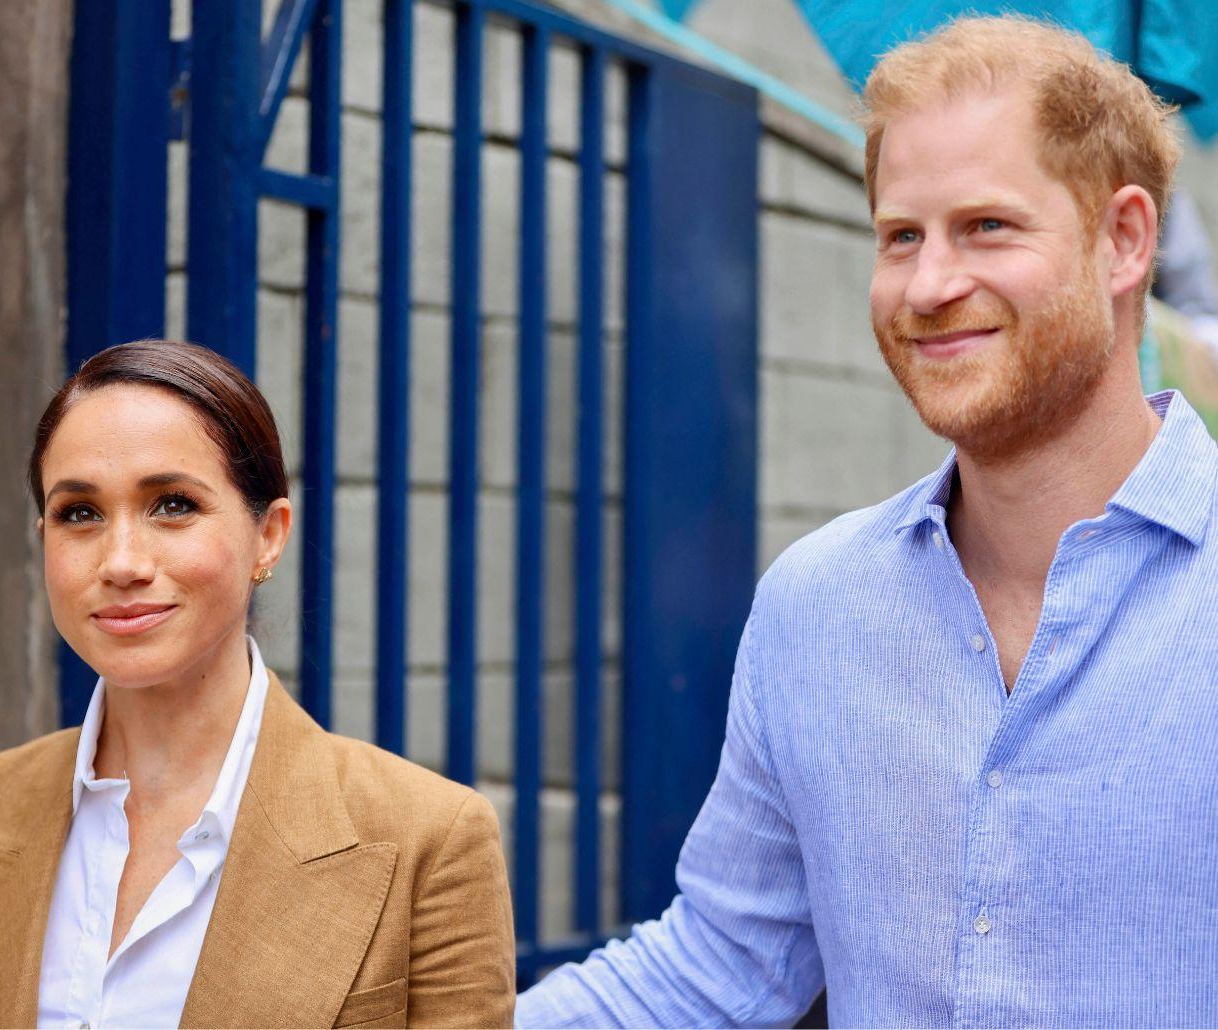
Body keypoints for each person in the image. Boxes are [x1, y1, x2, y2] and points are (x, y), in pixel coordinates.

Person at [517, 15, 1218, 1028]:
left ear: (1125, 239)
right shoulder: (817, 600)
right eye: (901, 236)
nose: (928, 286)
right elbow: (717, 966)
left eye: (987, 225)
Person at [0, 340, 516, 1028]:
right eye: (80, 513)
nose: (123, 561)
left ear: (268, 536)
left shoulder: (427, 840)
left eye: (172, 504)